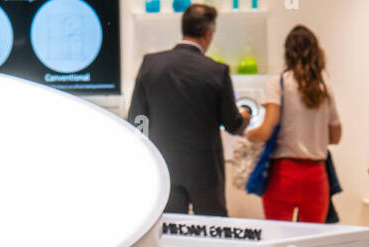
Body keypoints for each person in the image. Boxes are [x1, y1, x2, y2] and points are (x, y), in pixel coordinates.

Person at [127, 5, 249, 217]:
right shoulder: (216, 71)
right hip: (206, 172)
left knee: (169, 234)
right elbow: (232, 124)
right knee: (213, 232)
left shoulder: (150, 64)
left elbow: (137, 120)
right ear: (208, 33)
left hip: (163, 167)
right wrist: (245, 115)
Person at [245, 25, 341, 224]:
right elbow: (336, 136)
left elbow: (266, 130)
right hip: (316, 176)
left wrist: (248, 133)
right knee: (312, 243)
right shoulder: (324, 87)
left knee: (280, 241)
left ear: (287, 53)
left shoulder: (279, 83)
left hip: (283, 174)